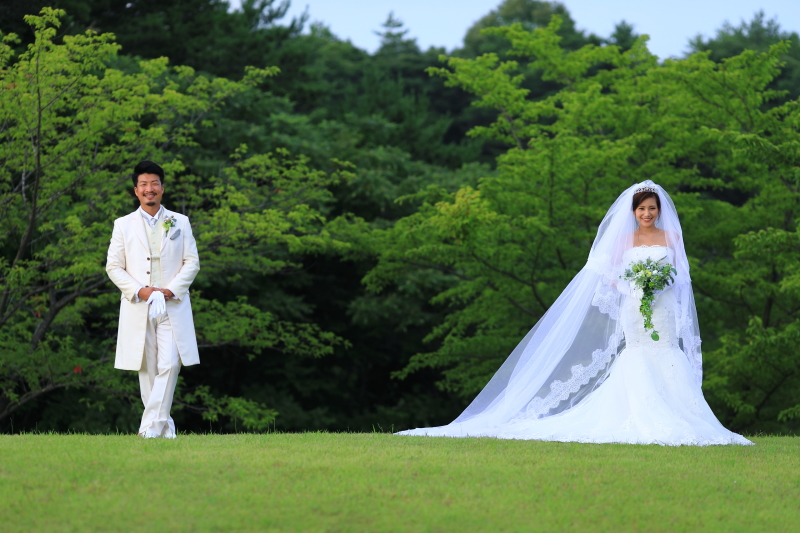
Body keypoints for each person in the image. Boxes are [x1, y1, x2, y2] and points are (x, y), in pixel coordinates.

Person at [397, 181, 752, 446]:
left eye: (652, 209)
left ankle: (682, 415)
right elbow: (610, 276)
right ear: (633, 212)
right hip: (634, 306)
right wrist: (635, 287)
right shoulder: (624, 241)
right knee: (638, 352)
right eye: (642, 209)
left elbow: (682, 277)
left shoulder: (672, 236)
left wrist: (657, 286)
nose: (647, 214)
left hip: (662, 307)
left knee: (666, 352)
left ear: (660, 210)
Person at [106, 161, 201, 439]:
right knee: (146, 368)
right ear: (136, 190)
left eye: (155, 183)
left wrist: (170, 290)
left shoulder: (179, 221)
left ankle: (149, 427)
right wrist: (141, 290)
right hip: (140, 304)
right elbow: (113, 266)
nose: (150, 189)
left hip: (173, 303)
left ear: (162, 188)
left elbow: (192, 261)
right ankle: (163, 428)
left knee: (171, 363)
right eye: (144, 185)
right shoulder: (123, 225)